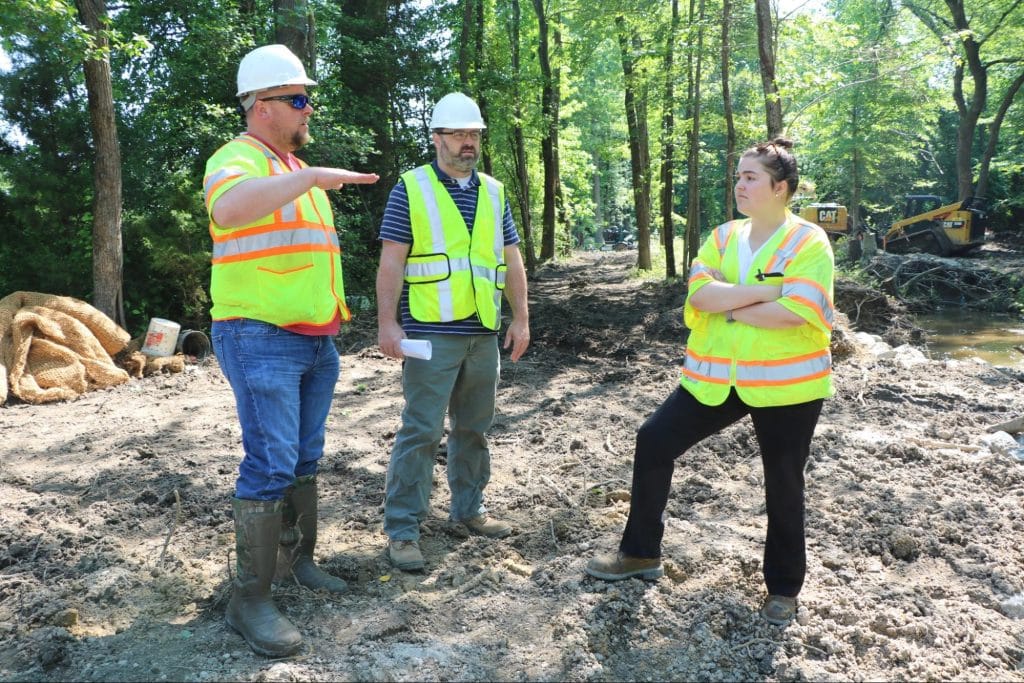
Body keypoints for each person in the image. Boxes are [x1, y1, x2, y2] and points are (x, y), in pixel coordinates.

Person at [585, 138, 835, 626]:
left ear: (780, 188)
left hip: (786, 386)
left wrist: (732, 302)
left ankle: (783, 588)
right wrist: (766, 290)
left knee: (783, 483)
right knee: (653, 440)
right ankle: (640, 554)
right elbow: (700, 296)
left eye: (750, 178)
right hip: (715, 378)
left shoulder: (809, 241)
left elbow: (797, 312)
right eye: (738, 176)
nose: (739, 185)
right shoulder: (722, 237)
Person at [204, 44, 379, 657]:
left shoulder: (287, 168)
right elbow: (227, 210)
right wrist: (306, 176)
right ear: (261, 106)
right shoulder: (238, 159)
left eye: (308, 98)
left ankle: (296, 563)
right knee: (271, 464)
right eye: (299, 99)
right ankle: (249, 598)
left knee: (304, 457)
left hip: (313, 340)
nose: (310, 110)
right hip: (260, 336)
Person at [376, 92, 530, 572]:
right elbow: (392, 261)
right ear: (437, 137)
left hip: (483, 334)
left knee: (474, 428)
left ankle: (469, 511)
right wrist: (386, 322)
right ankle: (403, 530)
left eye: (474, 134)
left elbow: (511, 259)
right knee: (420, 430)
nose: (469, 142)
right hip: (429, 334)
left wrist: (521, 316)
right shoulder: (411, 188)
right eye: (460, 134)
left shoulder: (495, 191)